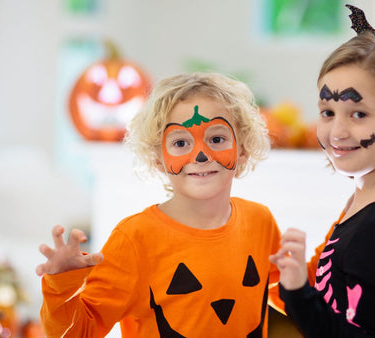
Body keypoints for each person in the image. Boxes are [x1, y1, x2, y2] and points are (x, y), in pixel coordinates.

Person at [36, 72, 284, 337]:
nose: (200, 155)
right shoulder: (135, 239)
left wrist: (334, 242)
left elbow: (298, 295)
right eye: (180, 142)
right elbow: (78, 333)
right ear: (158, 157)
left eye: (216, 139)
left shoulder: (260, 222)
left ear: (242, 149)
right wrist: (62, 286)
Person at [269, 4, 375, 338]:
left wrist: (298, 292)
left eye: (358, 114)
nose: (337, 131)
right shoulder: (369, 198)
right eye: (327, 111)